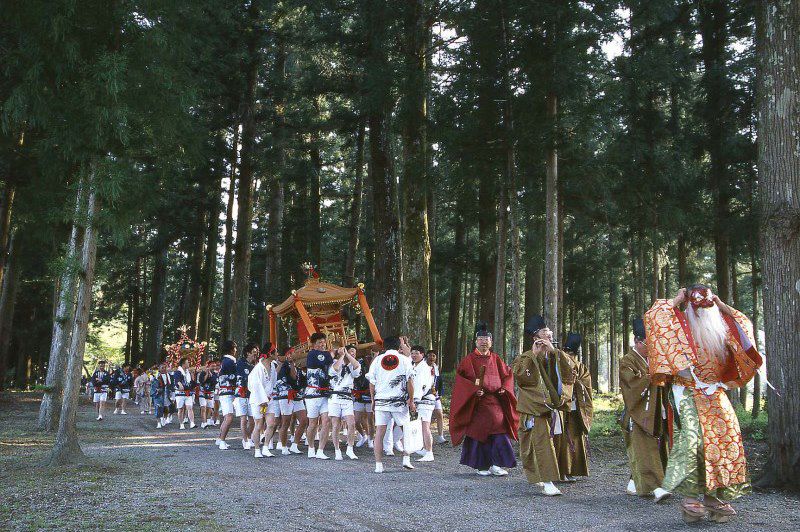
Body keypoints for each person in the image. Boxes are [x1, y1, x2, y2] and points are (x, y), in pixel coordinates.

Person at [645, 286, 762, 523]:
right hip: (687, 392)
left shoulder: (723, 330)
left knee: (724, 439)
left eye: (707, 307)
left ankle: (713, 495)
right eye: (699, 308)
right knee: (691, 442)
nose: (703, 312)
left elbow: (744, 325)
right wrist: (677, 299)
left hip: (715, 393)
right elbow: (654, 317)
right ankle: (690, 497)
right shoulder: (680, 330)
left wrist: (721, 305)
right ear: (689, 308)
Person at [512, 316, 575, 496]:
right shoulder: (525, 357)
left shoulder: (556, 354)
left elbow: (570, 373)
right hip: (534, 408)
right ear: (536, 337)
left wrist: (555, 353)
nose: (549, 333)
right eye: (545, 331)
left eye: (549, 331)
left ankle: (545, 476)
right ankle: (547, 481)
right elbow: (523, 379)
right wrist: (534, 356)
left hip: (553, 406)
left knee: (551, 444)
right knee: (541, 445)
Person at [450, 323, 518, 478]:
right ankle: (481, 465)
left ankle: (497, 464)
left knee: (499, 430)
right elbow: (461, 380)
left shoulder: (496, 359)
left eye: (486, 339)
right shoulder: (469, 360)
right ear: (475, 342)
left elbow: (508, 375)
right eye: (480, 339)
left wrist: (504, 388)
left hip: (494, 401)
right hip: (477, 403)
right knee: (478, 432)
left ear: (491, 342)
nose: (484, 342)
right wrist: (474, 390)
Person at [619, 318, 670, 501]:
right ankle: (657, 488)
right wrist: (652, 377)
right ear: (637, 342)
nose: (650, 348)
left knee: (654, 449)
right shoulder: (627, 361)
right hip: (638, 413)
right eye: (647, 343)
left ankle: (634, 483)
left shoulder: (653, 360)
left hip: (657, 411)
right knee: (646, 450)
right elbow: (631, 386)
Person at [367, 335, 416, 473]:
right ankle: (406, 459)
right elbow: (410, 382)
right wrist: (411, 400)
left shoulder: (377, 360)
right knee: (405, 429)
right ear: (399, 347)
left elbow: (372, 382)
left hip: (381, 400)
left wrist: (373, 400)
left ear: (383, 346)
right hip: (398, 401)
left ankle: (378, 464)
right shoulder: (405, 360)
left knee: (380, 433)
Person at [555, 333, 593, 482]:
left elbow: (586, 385)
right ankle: (560, 471)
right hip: (562, 407)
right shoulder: (558, 364)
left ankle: (571, 470)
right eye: (566, 352)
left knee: (575, 439)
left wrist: (576, 382)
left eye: (571, 353)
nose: (568, 356)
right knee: (561, 439)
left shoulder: (581, 367)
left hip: (576, 408)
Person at [328, 344, 361, 461]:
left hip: (347, 398)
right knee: (336, 425)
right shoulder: (335, 362)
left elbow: (357, 366)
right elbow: (335, 370)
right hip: (335, 397)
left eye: (354, 352)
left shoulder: (353, 365)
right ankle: (337, 450)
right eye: (351, 351)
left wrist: (347, 354)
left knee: (351, 423)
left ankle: (350, 448)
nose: (353, 354)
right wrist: (342, 355)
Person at [305, 332, 334, 459]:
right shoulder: (312, 354)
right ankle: (311, 447)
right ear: (313, 344)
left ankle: (321, 450)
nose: (322, 345)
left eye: (323, 342)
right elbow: (325, 361)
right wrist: (331, 354)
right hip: (312, 393)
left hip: (325, 393)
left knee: (326, 421)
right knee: (312, 423)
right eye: (319, 343)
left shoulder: (326, 354)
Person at [274, 348, 303, 454]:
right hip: (285, 395)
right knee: (285, 422)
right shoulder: (281, 365)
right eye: (290, 353)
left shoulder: (294, 364)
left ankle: (295, 445)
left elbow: (295, 376)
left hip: (296, 394)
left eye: (293, 353)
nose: (292, 355)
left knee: (304, 420)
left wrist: (293, 364)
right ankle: (283, 446)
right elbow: (290, 377)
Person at [410, 345, 436, 462]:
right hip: (421, 399)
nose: (414, 355)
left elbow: (421, 386)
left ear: (422, 355)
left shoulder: (424, 368)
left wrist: (414, 400)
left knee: (425, 426)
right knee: (421, 425)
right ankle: (425, 448)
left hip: (425, 399)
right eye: (412, 353)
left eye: (417, 353)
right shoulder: (415, 366)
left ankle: (429, 452)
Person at [248, 348, 275, 458]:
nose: (277, 354)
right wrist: (262, 399)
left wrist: (268, 396)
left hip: (269, 398)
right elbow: (255, 385)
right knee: (258, 425)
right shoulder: (258, 368)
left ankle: (266, 447)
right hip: (258, 399)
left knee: (271, 424)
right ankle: (257, 449)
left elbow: (272, 382)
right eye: (276, 352)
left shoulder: (273, 366)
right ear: (270, 354)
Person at [234, 343, 259, 449]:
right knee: (243, 419)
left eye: (256, 353)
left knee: (252, 419)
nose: (255, 355)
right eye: (254, 353)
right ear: (248, 353)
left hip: (251, 395)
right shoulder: (240, 363)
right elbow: (243, 378)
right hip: (241, 394)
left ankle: (248, 437)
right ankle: (245, 440)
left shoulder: (255, 366)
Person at [216, 340, 238, 450]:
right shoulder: (229, 361)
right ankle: (222, 440)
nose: (236, 350)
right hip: (227, 392)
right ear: (231, 349)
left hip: (225, 392)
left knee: (226, 417)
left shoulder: (224, 361)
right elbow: (233, 377)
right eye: (235, 348)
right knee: (229, 417)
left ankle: (220, 439)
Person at [352, 351, 374, 448]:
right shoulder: (356, 363)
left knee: (370, 420)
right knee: (356, 420)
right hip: (359, 395)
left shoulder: (374, 365)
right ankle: (363, 435)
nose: (367, 358)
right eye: (366, 356)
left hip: (370, 395)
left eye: (369, 356)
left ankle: (371, 439)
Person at [426, 350, 447, 444]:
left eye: (434, 356)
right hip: (425, 396)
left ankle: (440, 436)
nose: (431, 357)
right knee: (426, 418)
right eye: (430, 355)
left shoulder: (436, 367)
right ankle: (425, 437)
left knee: (439, 414)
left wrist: (440, 393)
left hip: (435, 395)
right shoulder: (422, 367)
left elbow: (439, 381)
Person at [173, 358, 197, 430]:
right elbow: (177, 381)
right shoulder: (178, 372)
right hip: (180, 393)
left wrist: (193, 377)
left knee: (190, 407)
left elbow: (192, 383)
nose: (189, 364)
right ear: (183, 364)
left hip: (188, 393)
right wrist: (180, 385)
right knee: (180, 409)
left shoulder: (188, 373)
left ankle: (192, 423)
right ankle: (181, 423)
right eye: (187, 362)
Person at [151, 363, 174, 429]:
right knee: (158, 407)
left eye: (165, 368)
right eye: (162, 368)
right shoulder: (155, 375)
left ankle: (164, 417)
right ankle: (158, 422)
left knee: (166, 407)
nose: (164, 369)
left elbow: (170, 385)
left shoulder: (169, 376)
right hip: (158, 394)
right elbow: (153, 384)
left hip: (166, 393)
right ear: (159, 369)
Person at [198, 361, 218, 428]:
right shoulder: (202, 373)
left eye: (214, 366)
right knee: (203, 407)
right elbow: (202, 381)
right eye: (212, 366)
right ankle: (204, 422)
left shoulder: (215, 374)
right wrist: (207, 373)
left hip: (210, 392)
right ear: (208, 366)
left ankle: (207, 420)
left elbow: (214, 381)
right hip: (202, 392)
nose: (214, 367)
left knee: (209, 408)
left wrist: (210, 374)